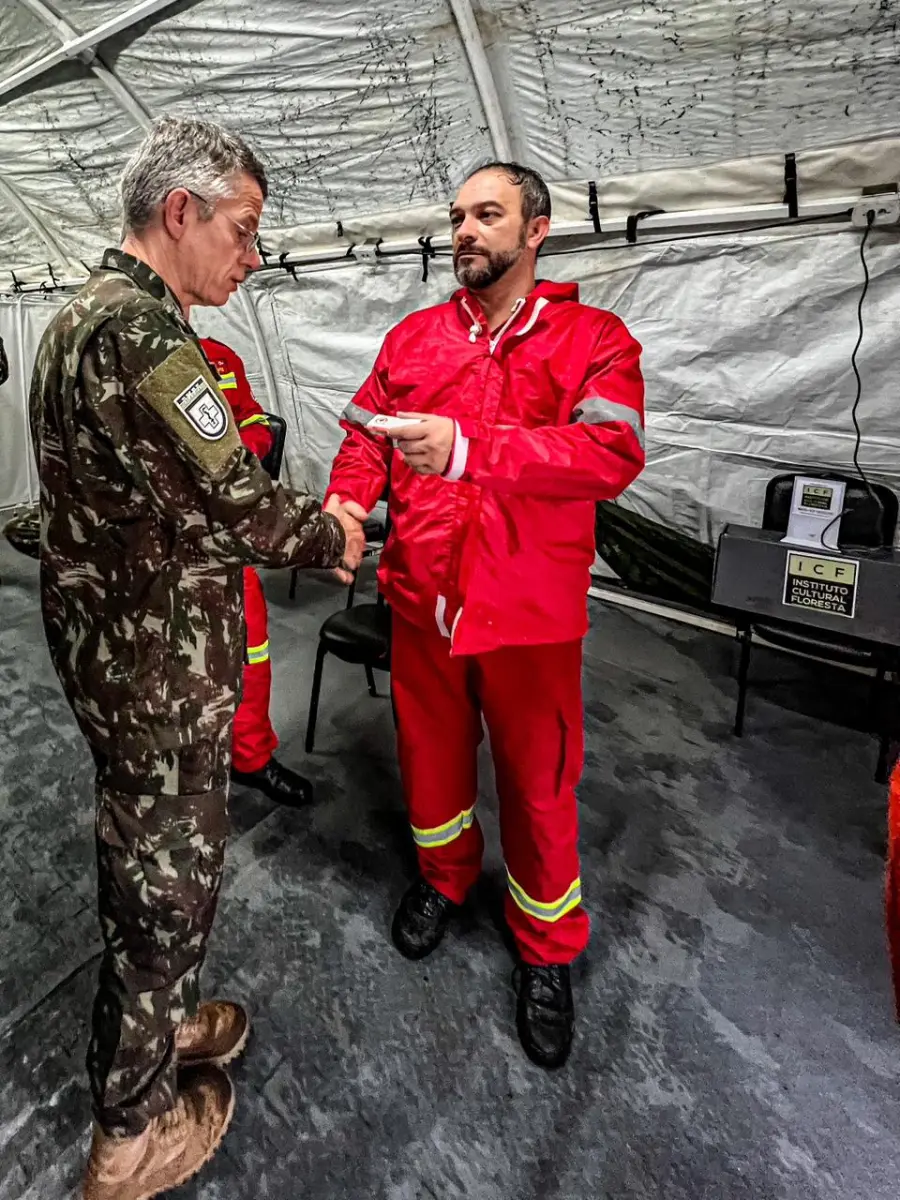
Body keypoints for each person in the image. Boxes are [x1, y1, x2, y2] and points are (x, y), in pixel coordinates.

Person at [29, 116, 364, 1198]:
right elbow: (244, 504)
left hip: (109, 657)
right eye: (244, 229)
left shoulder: (72, 321)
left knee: (144, 863)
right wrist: (337, 536)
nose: (252, 256)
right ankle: (129, 1134)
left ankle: (161, 1033)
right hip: (159, 675)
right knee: (165, 893)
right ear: (182, 212)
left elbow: (122, 504)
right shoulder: (151, 339)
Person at [326, 161, 645, 1069]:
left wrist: (470, 448)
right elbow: (363, 434)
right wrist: (349, 505)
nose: (464, 230)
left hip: (530, 617)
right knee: (429, 764)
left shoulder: (594, 338)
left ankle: (546, 948)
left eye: (487, 214)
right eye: (458, 215)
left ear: (535, 231)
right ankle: (444, 880)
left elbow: (609, 452)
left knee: (540, 791)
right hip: (423, 602)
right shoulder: (415, 339)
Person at [199, 336, 314, 807]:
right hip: (161, 551)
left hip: (227, 539)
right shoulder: (124, 347)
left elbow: (254, 419)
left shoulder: (219, 354)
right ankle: (191, 772)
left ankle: (250, 758)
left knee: (252, 649)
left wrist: (239, 453)